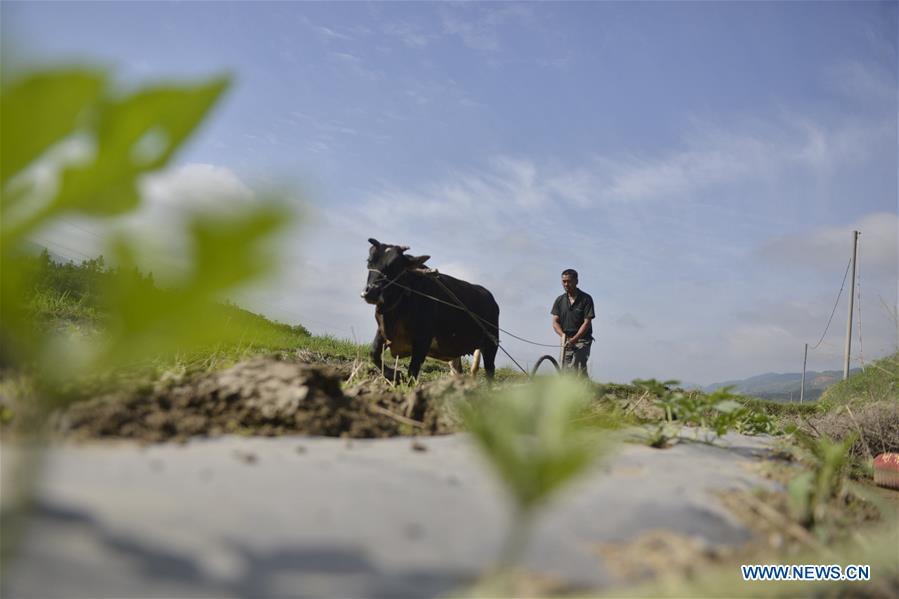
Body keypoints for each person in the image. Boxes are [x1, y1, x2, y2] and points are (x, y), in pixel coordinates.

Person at [551, 269, 595, 376]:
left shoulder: (586, 299)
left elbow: (587, 322)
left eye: (569, 281)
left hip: (582, 340)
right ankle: (585, 388)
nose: (566, 284)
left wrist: (575, 339)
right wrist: (563, 336)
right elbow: (555, 322)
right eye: (564, 281)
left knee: (576, 366)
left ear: (576, 281)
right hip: (566, 341)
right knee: (565, 370)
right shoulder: (559, 300)